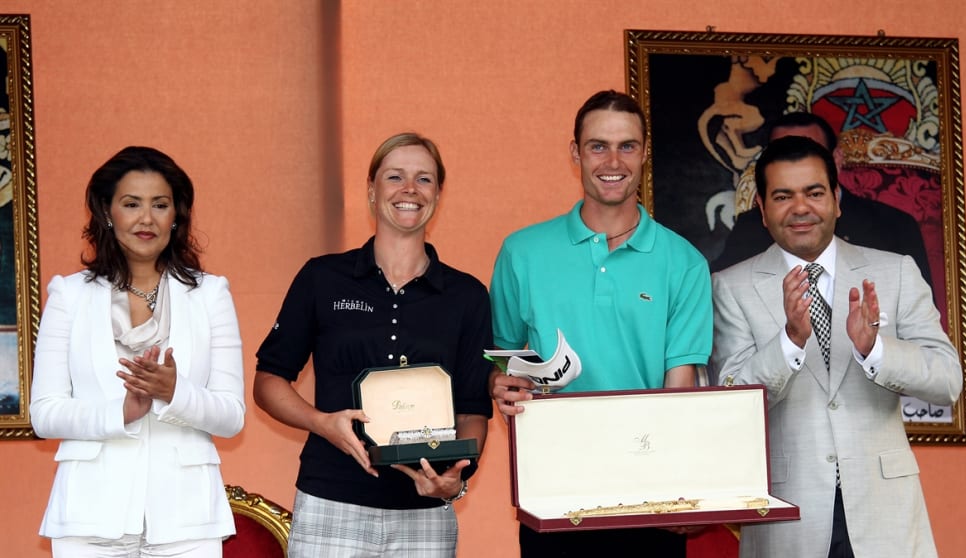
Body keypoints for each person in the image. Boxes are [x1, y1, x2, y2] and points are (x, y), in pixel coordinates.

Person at [710, 136, 961, 557]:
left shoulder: (895, 271)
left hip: (885, 515)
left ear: (837, 199)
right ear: (763, 210)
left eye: (814, 192)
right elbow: (729, 402)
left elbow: (947, 380)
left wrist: (875, 349)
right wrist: (788, 342)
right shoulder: (730, 287)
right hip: (789, 516)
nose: (801, 208)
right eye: (783, 196)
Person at [489, 90, 712, 557]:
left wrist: (677, 491)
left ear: (645, 153)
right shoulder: (521, 252)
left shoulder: (685, 262)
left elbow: (680, 389)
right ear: (575, 153)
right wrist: (500, 384)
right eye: (598, 146)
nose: (613, 160)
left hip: (648, 496)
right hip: (552, 491)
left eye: (627, 145)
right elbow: (504, 360)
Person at [254, 132, 493, 557]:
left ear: (438, 193)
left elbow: (474, 410)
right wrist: (321, 423)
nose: (409, 190)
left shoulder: (467, 295)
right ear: (371, 190)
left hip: (424, 512)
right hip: (330, 502)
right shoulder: (322, 278)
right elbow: (268, 381)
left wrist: (458, 476)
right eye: (394, 177)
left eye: (424, 179)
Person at [30, 146, 246, 557]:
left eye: (160, 205)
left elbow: (231, 416)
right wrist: (122, 412)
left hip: (187, 518)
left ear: (176, 216)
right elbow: (44, 414)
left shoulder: (210, 294)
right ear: (107, 213)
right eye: (132, 204)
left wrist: (174, 392)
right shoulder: (69, 295)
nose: (146, 218)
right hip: (89, 514)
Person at [710, 111, 933, 291]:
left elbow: (923, 340)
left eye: (810, 151)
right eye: (782, 153)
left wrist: (873, 346)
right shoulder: (750, 226)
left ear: (835, 160)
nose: (800, 208)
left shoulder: (894, 226)